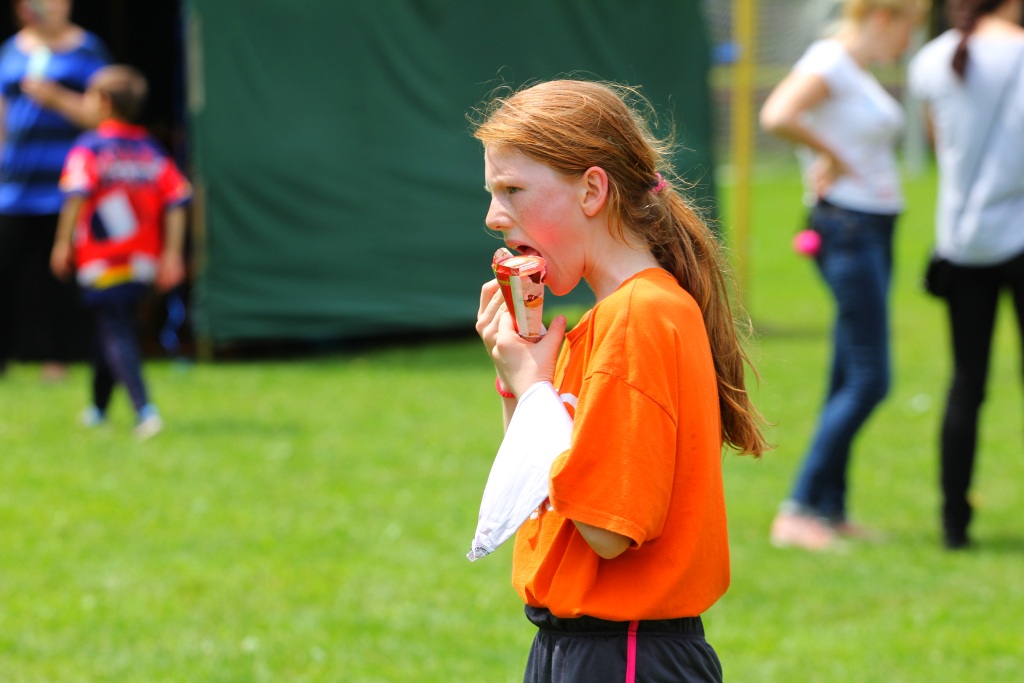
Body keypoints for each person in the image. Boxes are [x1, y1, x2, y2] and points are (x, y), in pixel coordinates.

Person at [472, 79, 768, 683]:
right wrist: (519, 377)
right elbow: (547, 490)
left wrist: (535, 391)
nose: (493, 216)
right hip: (581, 648)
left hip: (627, 653)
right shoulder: (603, 321)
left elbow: (605, 529)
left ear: (591, 189)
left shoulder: (641, 317)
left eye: (513, 190)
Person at [759, 0, 925, 550]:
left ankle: (829, 505)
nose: (908, 43)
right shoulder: (830, 59)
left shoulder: (853, 70)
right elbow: (778, 114)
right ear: (883, 17)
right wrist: (832, 155)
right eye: (908, 28)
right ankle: (799, 508)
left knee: (846, 371)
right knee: (870, 378)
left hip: (871, 228)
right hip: (849, 228)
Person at [908, 0, 1024, 549]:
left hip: (961, 243)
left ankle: (955, 523)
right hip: (1019, 235)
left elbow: (939, 145)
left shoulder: (932, 58)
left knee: (965, 384)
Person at [50, 65, 191, 439]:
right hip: (143, 262)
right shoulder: (150, 151)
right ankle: (97, 409)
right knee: (111, 329)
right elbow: (178, 198)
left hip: (103, 262)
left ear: (104, 101)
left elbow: (76, 196)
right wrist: (173, 253)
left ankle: (145, 410)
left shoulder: (89, 148)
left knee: (116, 330)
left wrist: (63, 243)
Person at [0, 0, 109, 379]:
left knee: (60, 277)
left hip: (66, 188)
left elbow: (103, 115)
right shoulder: (11, 50)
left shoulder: (87, 49)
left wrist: (57, 98)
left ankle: (59, 359)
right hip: (13, 188)